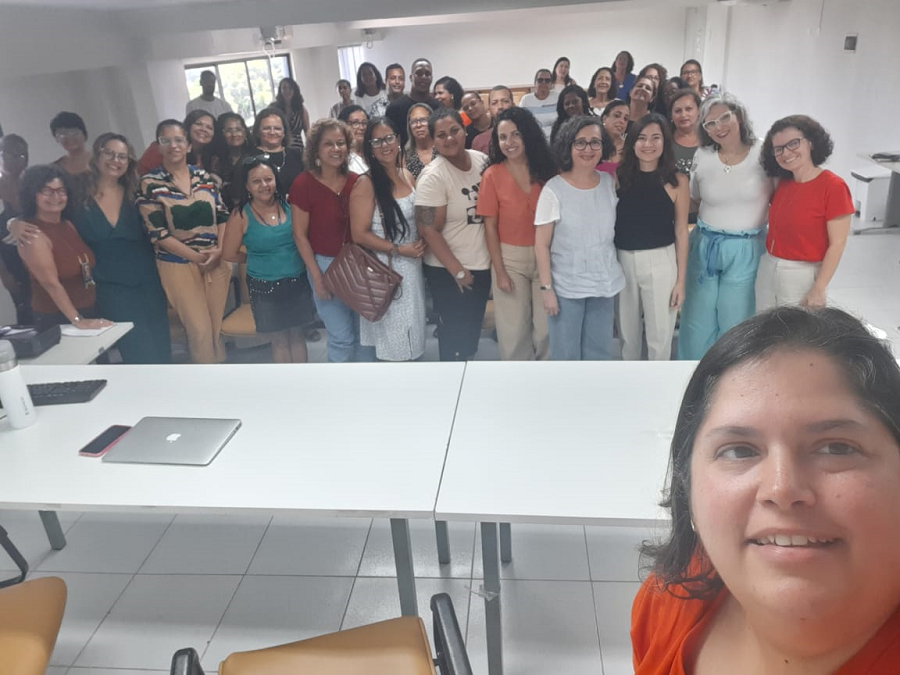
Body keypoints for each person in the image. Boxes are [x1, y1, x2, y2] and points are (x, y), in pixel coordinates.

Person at [633, 305, 900, 675]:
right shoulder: (668, 601)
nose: (782, 488)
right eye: (739, 451)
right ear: (687, 488)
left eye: (836, 447)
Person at [677, 95, 773, 360]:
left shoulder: (763, 152)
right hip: (705, 244)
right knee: (697, 320)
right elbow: (695, 198)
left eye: (724, 118)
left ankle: (732, 374)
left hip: (746, 247)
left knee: (736, 318)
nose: (719, 126)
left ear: (738, 116)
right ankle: (693, 371)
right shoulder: (703, 155)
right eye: (710, 123)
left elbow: (779, 196)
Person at [137, 119, 230, 364]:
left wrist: (219, 250)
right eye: (165, 140)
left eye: (179, 140)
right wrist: (199, 258)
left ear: (188, 145)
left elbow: (222, 215)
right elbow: (158, 234)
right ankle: (206, 382)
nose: (173, 145)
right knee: (199, 330)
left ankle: (222, 376)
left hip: (215, 260)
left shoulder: (204, 177)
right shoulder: (150, 183)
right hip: (177, 264)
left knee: (216, 328)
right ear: (158, 146)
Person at [535, 116, 624, 361]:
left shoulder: (608, 182)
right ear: (568, 146)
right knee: (566, 356)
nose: (588, 149)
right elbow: (541, 244)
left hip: (603, 283)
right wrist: (546, 289)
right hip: (566, 287)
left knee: (600, 354)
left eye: (595, 142)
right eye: (580, 142)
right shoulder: (553, 189)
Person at [289, 119, 371, 363]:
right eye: (328, 144)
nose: (336, 149)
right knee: (341, 338)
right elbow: (299, 235)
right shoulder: (303, 184)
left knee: (364, 337)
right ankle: (340, 384)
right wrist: (317, 277)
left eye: (340, 143)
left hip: (357, 263)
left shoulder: (357, 181)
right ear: (316, 149)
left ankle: (366, 383)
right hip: (324, 265)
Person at [477, 107, 555, 361]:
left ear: (528, 135)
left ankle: (546, 376)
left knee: (546, 328)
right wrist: (500, 271)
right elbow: (489, 227)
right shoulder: (492, 175)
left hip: (547, 257)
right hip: (510, 259)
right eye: (502, 137)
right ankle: (516, 379)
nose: (509, 142)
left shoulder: (547, 170)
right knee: (513, 331)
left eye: (515, 134)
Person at [415, 108, 491, 361]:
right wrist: (457, 271)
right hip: (449, 271)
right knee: (454, 340)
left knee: (471, 335)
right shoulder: (433, 176)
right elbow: (427, 229)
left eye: (454, 130)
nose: (449, 138)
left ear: (465, 130)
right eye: (441, 135)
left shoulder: (482, 161)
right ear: (433, 141)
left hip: (480, 264)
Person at [221, 155, 312, 363]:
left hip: (298, 281)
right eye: (256, 181)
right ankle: (285, 382)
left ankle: (303, 380)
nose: (264, 185)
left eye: (268, 179)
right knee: (279, 340)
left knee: (297, 335)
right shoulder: (240, 215)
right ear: (247, 186)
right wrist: (256, 257)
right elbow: (229, 253)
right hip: (264, 287)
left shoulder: (290, 204)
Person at [757, 114, 853, 310]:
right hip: (768, 266)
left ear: (810, 142)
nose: (786, 153)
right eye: (779, 149)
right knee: (764, 325)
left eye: (793, 143)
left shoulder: (833, 186)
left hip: (803, 273)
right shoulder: (783, 183)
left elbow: (838, 244)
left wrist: (819, 287)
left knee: (796, 328)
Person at [614, 113, 689, 361]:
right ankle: (630, 380)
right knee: (627, 335)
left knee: (660, 336)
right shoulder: (618, 177)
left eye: (656, 137)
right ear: (632, 142)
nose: (648, 144)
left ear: (665, 142)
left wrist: (680, 281)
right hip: (623, 260)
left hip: (661, 261)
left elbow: (681, 231)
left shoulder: (677, 181)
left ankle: (659, 382)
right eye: (642, 138)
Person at [354, 117, 427, 361]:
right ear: (369, 148)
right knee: (395, 345)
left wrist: (426, 237)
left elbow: (419, 215)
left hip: (413, 267)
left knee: (414, 334)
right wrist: (398, 249)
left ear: (398, 139)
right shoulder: (366, 183)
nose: (384, 145)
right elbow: (359, 234)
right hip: (386, 269)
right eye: (376, 141)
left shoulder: (406, 174)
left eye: (388, 138)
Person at [14, 165, 112, 329]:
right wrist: (77, 319)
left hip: (87, 308)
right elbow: (51, 284)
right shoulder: (32, 234)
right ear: (32, 194)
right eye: (47, 191)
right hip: (58, 317)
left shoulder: (67, 224)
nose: (56, 196)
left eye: (61, 191)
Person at [0, 134, 32, 324]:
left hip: (38, 257)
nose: (12, 160)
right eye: (6, 154)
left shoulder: (32, 185)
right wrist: (4, 274)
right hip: (11, 263)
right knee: (27, 315)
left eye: (19, 155)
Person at [138, 110, 215, 176]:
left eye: (209, 127)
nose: (203, 129)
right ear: (188, 126)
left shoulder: (212, 156)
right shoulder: (164, 147)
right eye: (198, 124)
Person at [386, 58, 440, 147]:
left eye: (427, 74)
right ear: (411, 77)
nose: (423, 77)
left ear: (432, 78)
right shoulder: (394, 108)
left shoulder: (439, 107)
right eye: (419, 73)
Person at [251, 107, 305, 193]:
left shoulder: (297, 155)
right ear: (257, 132)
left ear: (284, 132)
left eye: (277, 128)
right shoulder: (249, 159)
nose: (272, 132)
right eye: (266, 128)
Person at [670, 88, 702, 225]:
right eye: (678, 111)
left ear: (699, 111)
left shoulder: (711, 143)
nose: (683, 114)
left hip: (703, 218)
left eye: (689, 109)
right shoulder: (663, 142)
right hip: (669, 215)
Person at [208, 112, 253, 209]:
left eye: (238, 130)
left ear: (245, 132)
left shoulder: (254, 157)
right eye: (229, 130)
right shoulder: (217, 160)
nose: (234, 134)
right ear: (222, 134)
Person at [50, 111, 91, 199]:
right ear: (56, 139)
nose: (69, 137)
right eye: (62, 134)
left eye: (74, 132)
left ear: (85, 134)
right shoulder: (54, 168)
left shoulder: (101, 161)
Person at [471, 85, 514, 154]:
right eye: (494, 103)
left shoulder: (526, 133)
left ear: (513, 105)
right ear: (489, 109)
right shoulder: (479, 141)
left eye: (505, 101)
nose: (500, 106)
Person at [272, 78, 310, 155]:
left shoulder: (300, 109)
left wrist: (310, 149)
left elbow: (307, 131)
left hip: (298, 151)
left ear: (294, 90)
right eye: (284, 88)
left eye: (290, 88)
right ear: (280, 90)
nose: (287, 90)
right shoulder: (274, 108)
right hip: (279, 150)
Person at [519, 69, 559, 140]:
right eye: (540, 80)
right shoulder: (526, 100)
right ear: (535, 83)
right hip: (534, 139)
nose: (544, 83)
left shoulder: (557, 96)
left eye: (547, 80)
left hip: (555, 138)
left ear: (551, 84)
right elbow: (520, 122)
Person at [405, 103, 437, 180]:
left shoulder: (443, 149)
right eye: (413, 122)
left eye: (423, 120)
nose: (418, 125)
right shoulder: (405, 156)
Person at [597, 100, 629, 174]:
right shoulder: (593, 143)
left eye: (625, 119)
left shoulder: (629, 147)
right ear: (604, 118)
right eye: (617, 116)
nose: (622, 121)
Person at [337, 105, 369, 174]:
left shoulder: (373, 153)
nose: (362, 127)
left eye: (364, 123)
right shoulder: (340, 157)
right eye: (355, 123)